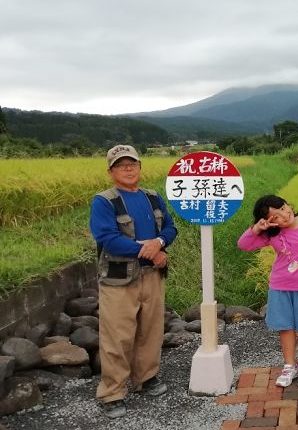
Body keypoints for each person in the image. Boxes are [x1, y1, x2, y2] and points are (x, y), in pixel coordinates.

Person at [89, 144, 177, 419]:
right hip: (119, 279)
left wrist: (160, 242)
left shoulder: (152, 197)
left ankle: (146, 378)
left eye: (132, 164)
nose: (127, 169)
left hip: (151, 275)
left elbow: (170, 227)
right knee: (117, 335)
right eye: (120, 165)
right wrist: (149, 250)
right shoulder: (104, 201)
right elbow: (107, 237)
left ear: (139, 167)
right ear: (111, 171)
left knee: (150, 330)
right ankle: (112, 392)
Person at [237, 195, 298, 388]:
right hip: (280, 285)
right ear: (269, 222)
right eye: (275, 217)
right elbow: (243, 244)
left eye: (283, 208)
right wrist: (257, 228)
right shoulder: (271, 235)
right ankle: (289, 365)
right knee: (285, 327)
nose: (284, 215)